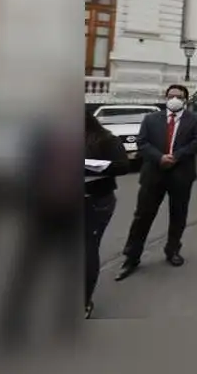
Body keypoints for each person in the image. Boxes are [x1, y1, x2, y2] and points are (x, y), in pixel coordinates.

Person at [115, 85, 197, 280]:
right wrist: (160, 158)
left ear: (185, 100)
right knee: (142, 216)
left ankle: (172, 250)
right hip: (153, 174)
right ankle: (131, 257)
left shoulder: (195, 119)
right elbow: (142, 142)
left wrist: (176, 156)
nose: (174, 99)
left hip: (181, 174)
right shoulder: (150, 119)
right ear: (165, 98)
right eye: (171, 96)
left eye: (179, 96)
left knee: (178, 215)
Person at [84, 110, 129, 318]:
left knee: (86, 249)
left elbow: (123, 166)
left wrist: (91, 167)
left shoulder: (106, 139)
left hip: (94, 201)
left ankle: (83, 301)